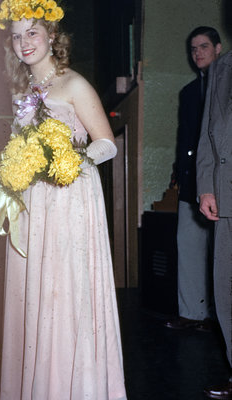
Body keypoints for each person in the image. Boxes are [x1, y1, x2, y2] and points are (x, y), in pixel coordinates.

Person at [0, 1, 127, 399]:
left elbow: (107, 144)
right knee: (35, 299)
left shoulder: (74, 84)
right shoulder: (23, 89)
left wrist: (69, 160)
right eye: (17, 36)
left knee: (63, 295)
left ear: (52, 35)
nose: (24, 43)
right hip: (33, 206)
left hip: (68, 200)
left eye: (32, 32)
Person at [165, 27, 222, 331]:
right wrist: (179, 172)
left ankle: (217, 317)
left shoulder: (227, 87)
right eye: (193, 49)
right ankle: (191, 313)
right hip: (191, 183)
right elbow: (185, 138)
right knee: (187, 243)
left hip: (221, 183)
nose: (197, 53)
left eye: (203, 46)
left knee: (220, 252)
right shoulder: (188, 92)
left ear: (218, 48)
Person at [196, 30, 232, 400]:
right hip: (226, 199)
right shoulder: (221, 68)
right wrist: (206, 184)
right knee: (225, 292)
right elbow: (207, 133)